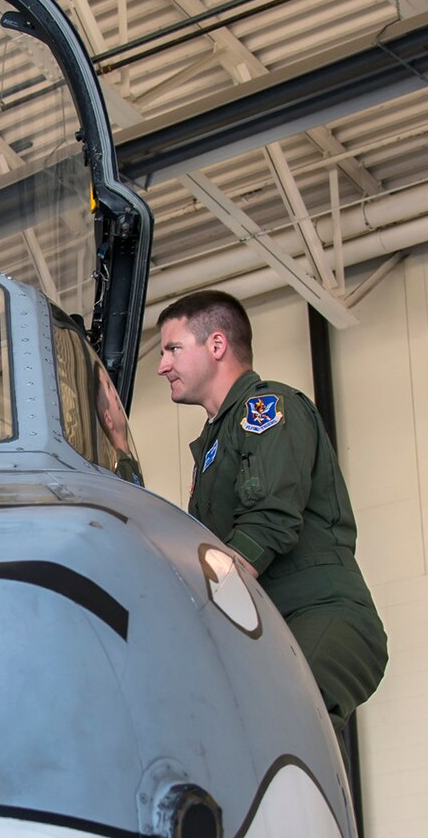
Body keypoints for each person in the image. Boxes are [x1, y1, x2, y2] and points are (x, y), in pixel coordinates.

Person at [156, 290, 386, 727]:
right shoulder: (214, 445)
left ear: (217, 345)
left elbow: (268, 520)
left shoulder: (266, 408)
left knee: (283, 720)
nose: (162, 365)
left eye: (173, 348)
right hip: (268, 631)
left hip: (317, 613)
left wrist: (196, 600)